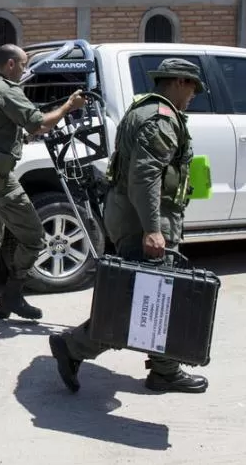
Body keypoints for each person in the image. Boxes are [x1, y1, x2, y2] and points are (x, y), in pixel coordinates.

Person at [49, 58, 209, 394]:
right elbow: (145, 176)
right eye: (193, 87)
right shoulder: (160, 119)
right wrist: (153, 228)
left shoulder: (145, 110)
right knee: (142, 299)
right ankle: (75, 347)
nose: (194, 94)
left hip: (133, 214)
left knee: (155, 293)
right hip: (142, 219)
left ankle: (164, 369)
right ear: (179, 82)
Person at [0, 44, 86, 322]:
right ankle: (13, 296)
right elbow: (40, 124)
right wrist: (70, 105)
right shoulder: (7, 90)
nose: (24, 70)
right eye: (22, 65)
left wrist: (20, 138)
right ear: (10, 65)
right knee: (34, 237)